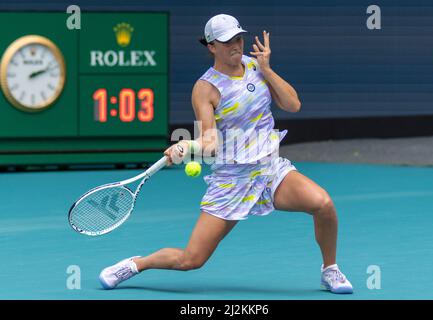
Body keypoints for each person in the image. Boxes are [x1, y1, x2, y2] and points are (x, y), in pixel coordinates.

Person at [99, 14, 353, 294]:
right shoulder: (205, 88)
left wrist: (267, 69)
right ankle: (137, 264)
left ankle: (330, 271)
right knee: (191, 260)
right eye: (227, 41)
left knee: (324, 205)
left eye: (238, 38)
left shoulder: (256, 66)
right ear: (211, 46)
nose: (235, 45)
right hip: (231, 180)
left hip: (269, 169)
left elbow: (293, 105)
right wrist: (189, 146)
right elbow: (210, 141)